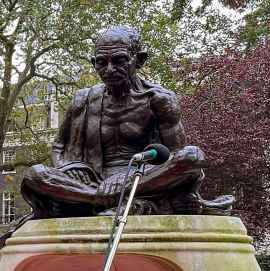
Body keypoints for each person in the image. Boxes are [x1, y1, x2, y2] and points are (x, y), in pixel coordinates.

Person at [21, 25, 228, 218]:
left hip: (142, 178)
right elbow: (59, 147)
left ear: (139, 60)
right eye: (101, 62)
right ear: (94, 63)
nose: (109, 69)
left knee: (192, 156)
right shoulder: (82, 99)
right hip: (91, 181)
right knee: (35, 174)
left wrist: (126, 179)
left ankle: (93, 200)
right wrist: (71, 167)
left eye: (119, 60)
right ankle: (101, 199)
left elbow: (175, 154)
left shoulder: (159, 99)